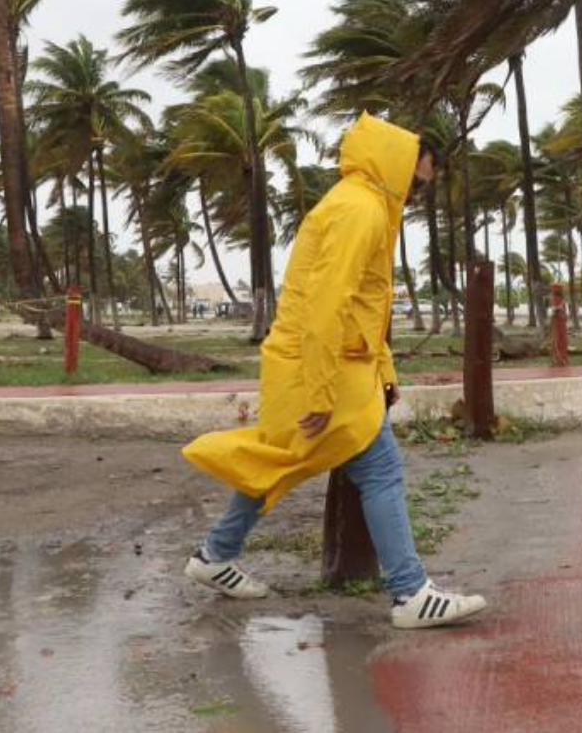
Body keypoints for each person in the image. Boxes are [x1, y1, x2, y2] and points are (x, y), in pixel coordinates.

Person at [181, 113, 488, 629]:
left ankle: (214, 556)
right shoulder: (361, 212)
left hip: (327, 364)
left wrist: (385, 373)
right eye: (418, 183)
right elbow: (326, 307)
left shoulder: (361, 205)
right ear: (398, 166)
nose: (416, 197)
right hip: (319, 369)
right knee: (379, 469)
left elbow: (367, 305)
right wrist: (322, 394)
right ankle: (410, 592)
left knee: (278, 461)